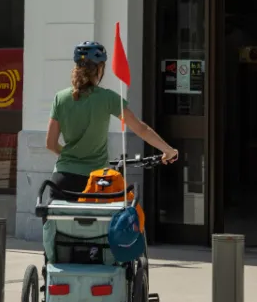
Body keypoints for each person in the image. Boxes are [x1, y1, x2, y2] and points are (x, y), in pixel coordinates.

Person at [46, 41, 179, 198]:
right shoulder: (108, 98)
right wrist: (168, 150)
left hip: (62, 179)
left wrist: (72, 155)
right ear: (100, 69)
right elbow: (141, 129)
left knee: (57, 222)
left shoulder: (60, 98)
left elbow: (50, 144)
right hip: (96, 182)